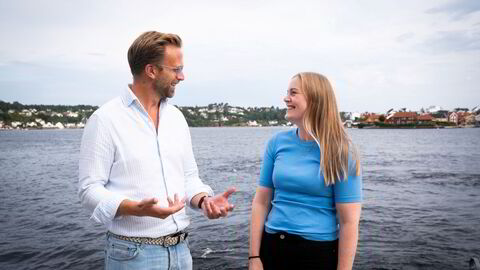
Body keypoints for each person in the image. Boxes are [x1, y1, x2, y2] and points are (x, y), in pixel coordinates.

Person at [78, 31, 236, 270]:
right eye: (176, 69)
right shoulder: (105, 119)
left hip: (182, 252)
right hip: (132, 255)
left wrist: (204, 200)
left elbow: (189, 178)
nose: (182, 77)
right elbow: (89, 190)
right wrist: (135, 208)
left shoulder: (177, 118)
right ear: (151, 71)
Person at [248, 72, 363, 270]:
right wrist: (254, 257)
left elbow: (348, 222)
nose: (286, 98)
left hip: (317, 254)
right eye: (287, 93)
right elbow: (261, 202)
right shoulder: (276, 143)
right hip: (272, 247)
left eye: (293, 93)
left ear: (315, 99)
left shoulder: (341, 152)